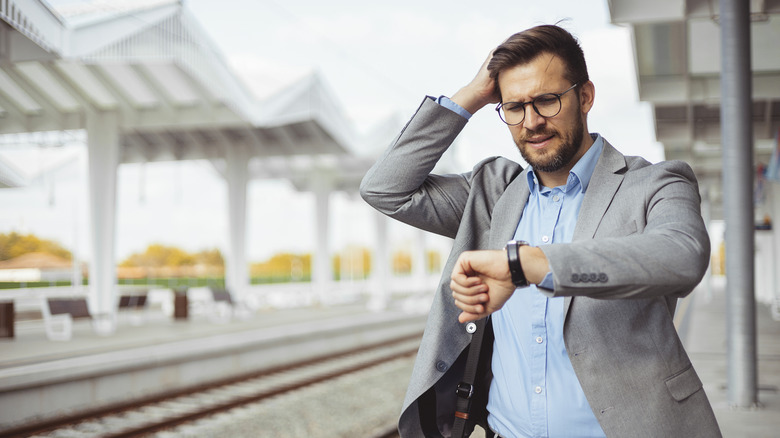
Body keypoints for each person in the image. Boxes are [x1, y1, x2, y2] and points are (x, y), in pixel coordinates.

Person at [360, 24, 721, 438]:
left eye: (546, 101)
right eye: (513, 107)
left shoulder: (653, 183)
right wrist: (473, 95)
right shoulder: (492, 194)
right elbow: (384, 188)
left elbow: (681, 254)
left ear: (584, 96)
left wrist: (530, 264)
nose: (531, 122)